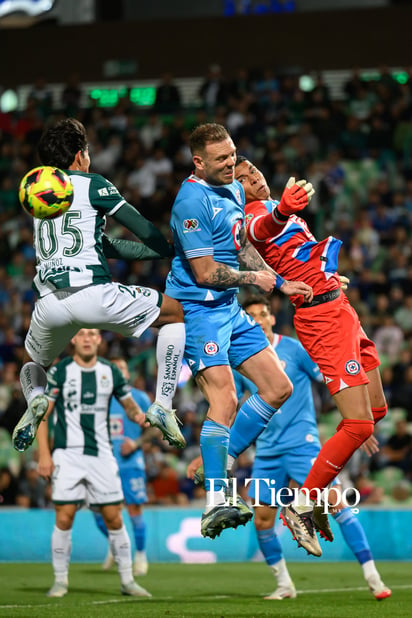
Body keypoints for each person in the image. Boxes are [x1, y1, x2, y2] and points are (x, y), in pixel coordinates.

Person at [188, 296, 391, 601]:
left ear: (271, 318)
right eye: (252, 315)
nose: (259, 319)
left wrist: (355, 418)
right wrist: (209, 453)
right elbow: (235, 408)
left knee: (336, 502)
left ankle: (373, 577)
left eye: (263, 313)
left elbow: (329, 379)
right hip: (268, 451)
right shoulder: (242, 357)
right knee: (263, 519)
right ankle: (284, 584)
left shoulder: (294, 348)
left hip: (302, 444)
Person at [164, 123, 313, 539]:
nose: (232, 164)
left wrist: (280, 280)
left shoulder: (231, 187)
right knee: (225, 399)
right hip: (200, 311)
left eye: (233, 155)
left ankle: (217, 460)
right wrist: (256, 280)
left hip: (228, 309)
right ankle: (215, 500)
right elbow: (207, 271)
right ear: (199, 162)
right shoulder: (191, 201)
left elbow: (242, 242)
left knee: (277, 387)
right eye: (222, 159)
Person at [234, 156, 388, 556]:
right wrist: (283, 208)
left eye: (255, 172)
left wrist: (325, 278)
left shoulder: (274, 209)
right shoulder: (250, 215)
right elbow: (261, 229)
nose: (256, 179)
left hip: (339, 306)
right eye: (245, 179)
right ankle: (302, 505)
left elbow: (296, 253)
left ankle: (314, 494)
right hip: (321, 318)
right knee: (358, 424)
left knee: (376, 412)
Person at [12, 118, 186, 455]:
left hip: (48, 304)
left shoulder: (39, 196)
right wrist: (166, 247)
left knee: (31, 363)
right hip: (92, 292)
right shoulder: (93, 184)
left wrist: (157, 253)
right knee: (174, 313)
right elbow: (139, 227)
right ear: (80, 156)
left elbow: (104, 245)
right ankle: (163, 402)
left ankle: (35, 399)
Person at [36, 329, 151, 598]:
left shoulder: (110, 371)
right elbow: (43, 415)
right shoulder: (60, 371)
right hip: (68, 454)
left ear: (99, 339)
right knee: (64, 517)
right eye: (82, 334)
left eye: (92, 334)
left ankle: (127, 580)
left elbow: (130, 405)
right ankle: (61, 581)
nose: (87, 338)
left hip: (101, 454)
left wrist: (140, 416)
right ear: (73, 340)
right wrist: (44, 453)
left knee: (114, 517)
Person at [93, 356, 153, 576]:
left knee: (134, 508)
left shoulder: (139, 398)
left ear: (127, 374)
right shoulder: (99, 400)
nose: (119, 371)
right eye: (114, 368)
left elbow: (155, 427)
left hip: (130, 463)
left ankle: (140, 556)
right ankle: (114, 544)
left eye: (122, 368)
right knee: (98, 510)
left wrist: (136, 443)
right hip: (103, 463)